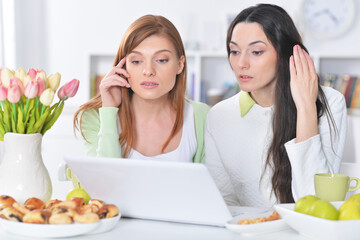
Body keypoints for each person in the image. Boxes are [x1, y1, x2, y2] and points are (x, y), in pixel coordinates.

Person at [205, 4, 347, 208]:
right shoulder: (219, 115)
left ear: (284, 54)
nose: (241, 63)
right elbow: (223, 200)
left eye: (256, 51)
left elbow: (317, 203)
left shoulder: (330, 103)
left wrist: (306, 107)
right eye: (234, 51)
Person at [69, 15, 209, 187]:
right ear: (123, 66)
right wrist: (109, 111)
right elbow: (104, 189)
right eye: (136, 61)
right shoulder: (93, 117)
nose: (148, 71)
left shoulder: (201, 117)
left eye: (162, 60)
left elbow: (205, 191)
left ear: (180, 65)